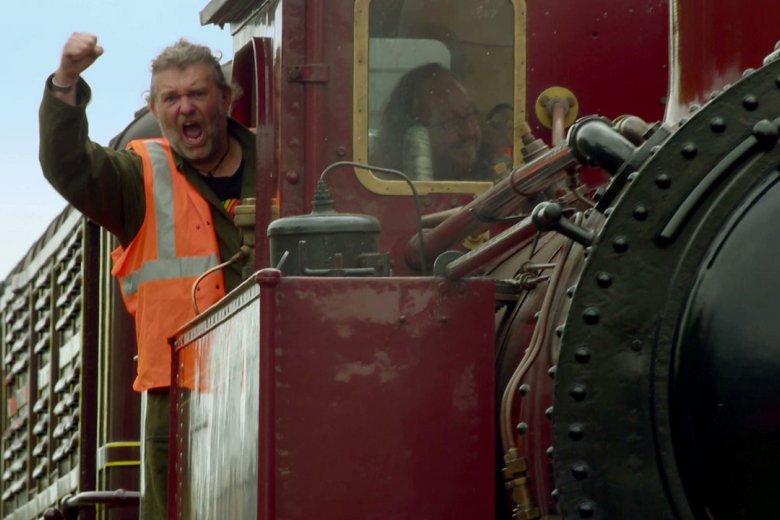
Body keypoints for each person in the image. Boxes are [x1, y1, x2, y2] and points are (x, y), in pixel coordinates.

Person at [39, 33, 256, 519]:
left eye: (198, 94)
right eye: (171, 98)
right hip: (180, 402)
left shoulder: (280, 164)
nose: (185, 108)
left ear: (226, 98)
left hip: (271, 383)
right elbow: (67, 166)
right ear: (156, 110)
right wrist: (67, 81)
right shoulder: (138, 176)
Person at [372, 62, 492, 182]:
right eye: (451, 122)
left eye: (471, 115)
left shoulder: (499, 179)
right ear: (413, 136)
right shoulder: (385, 189)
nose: (469, 132)